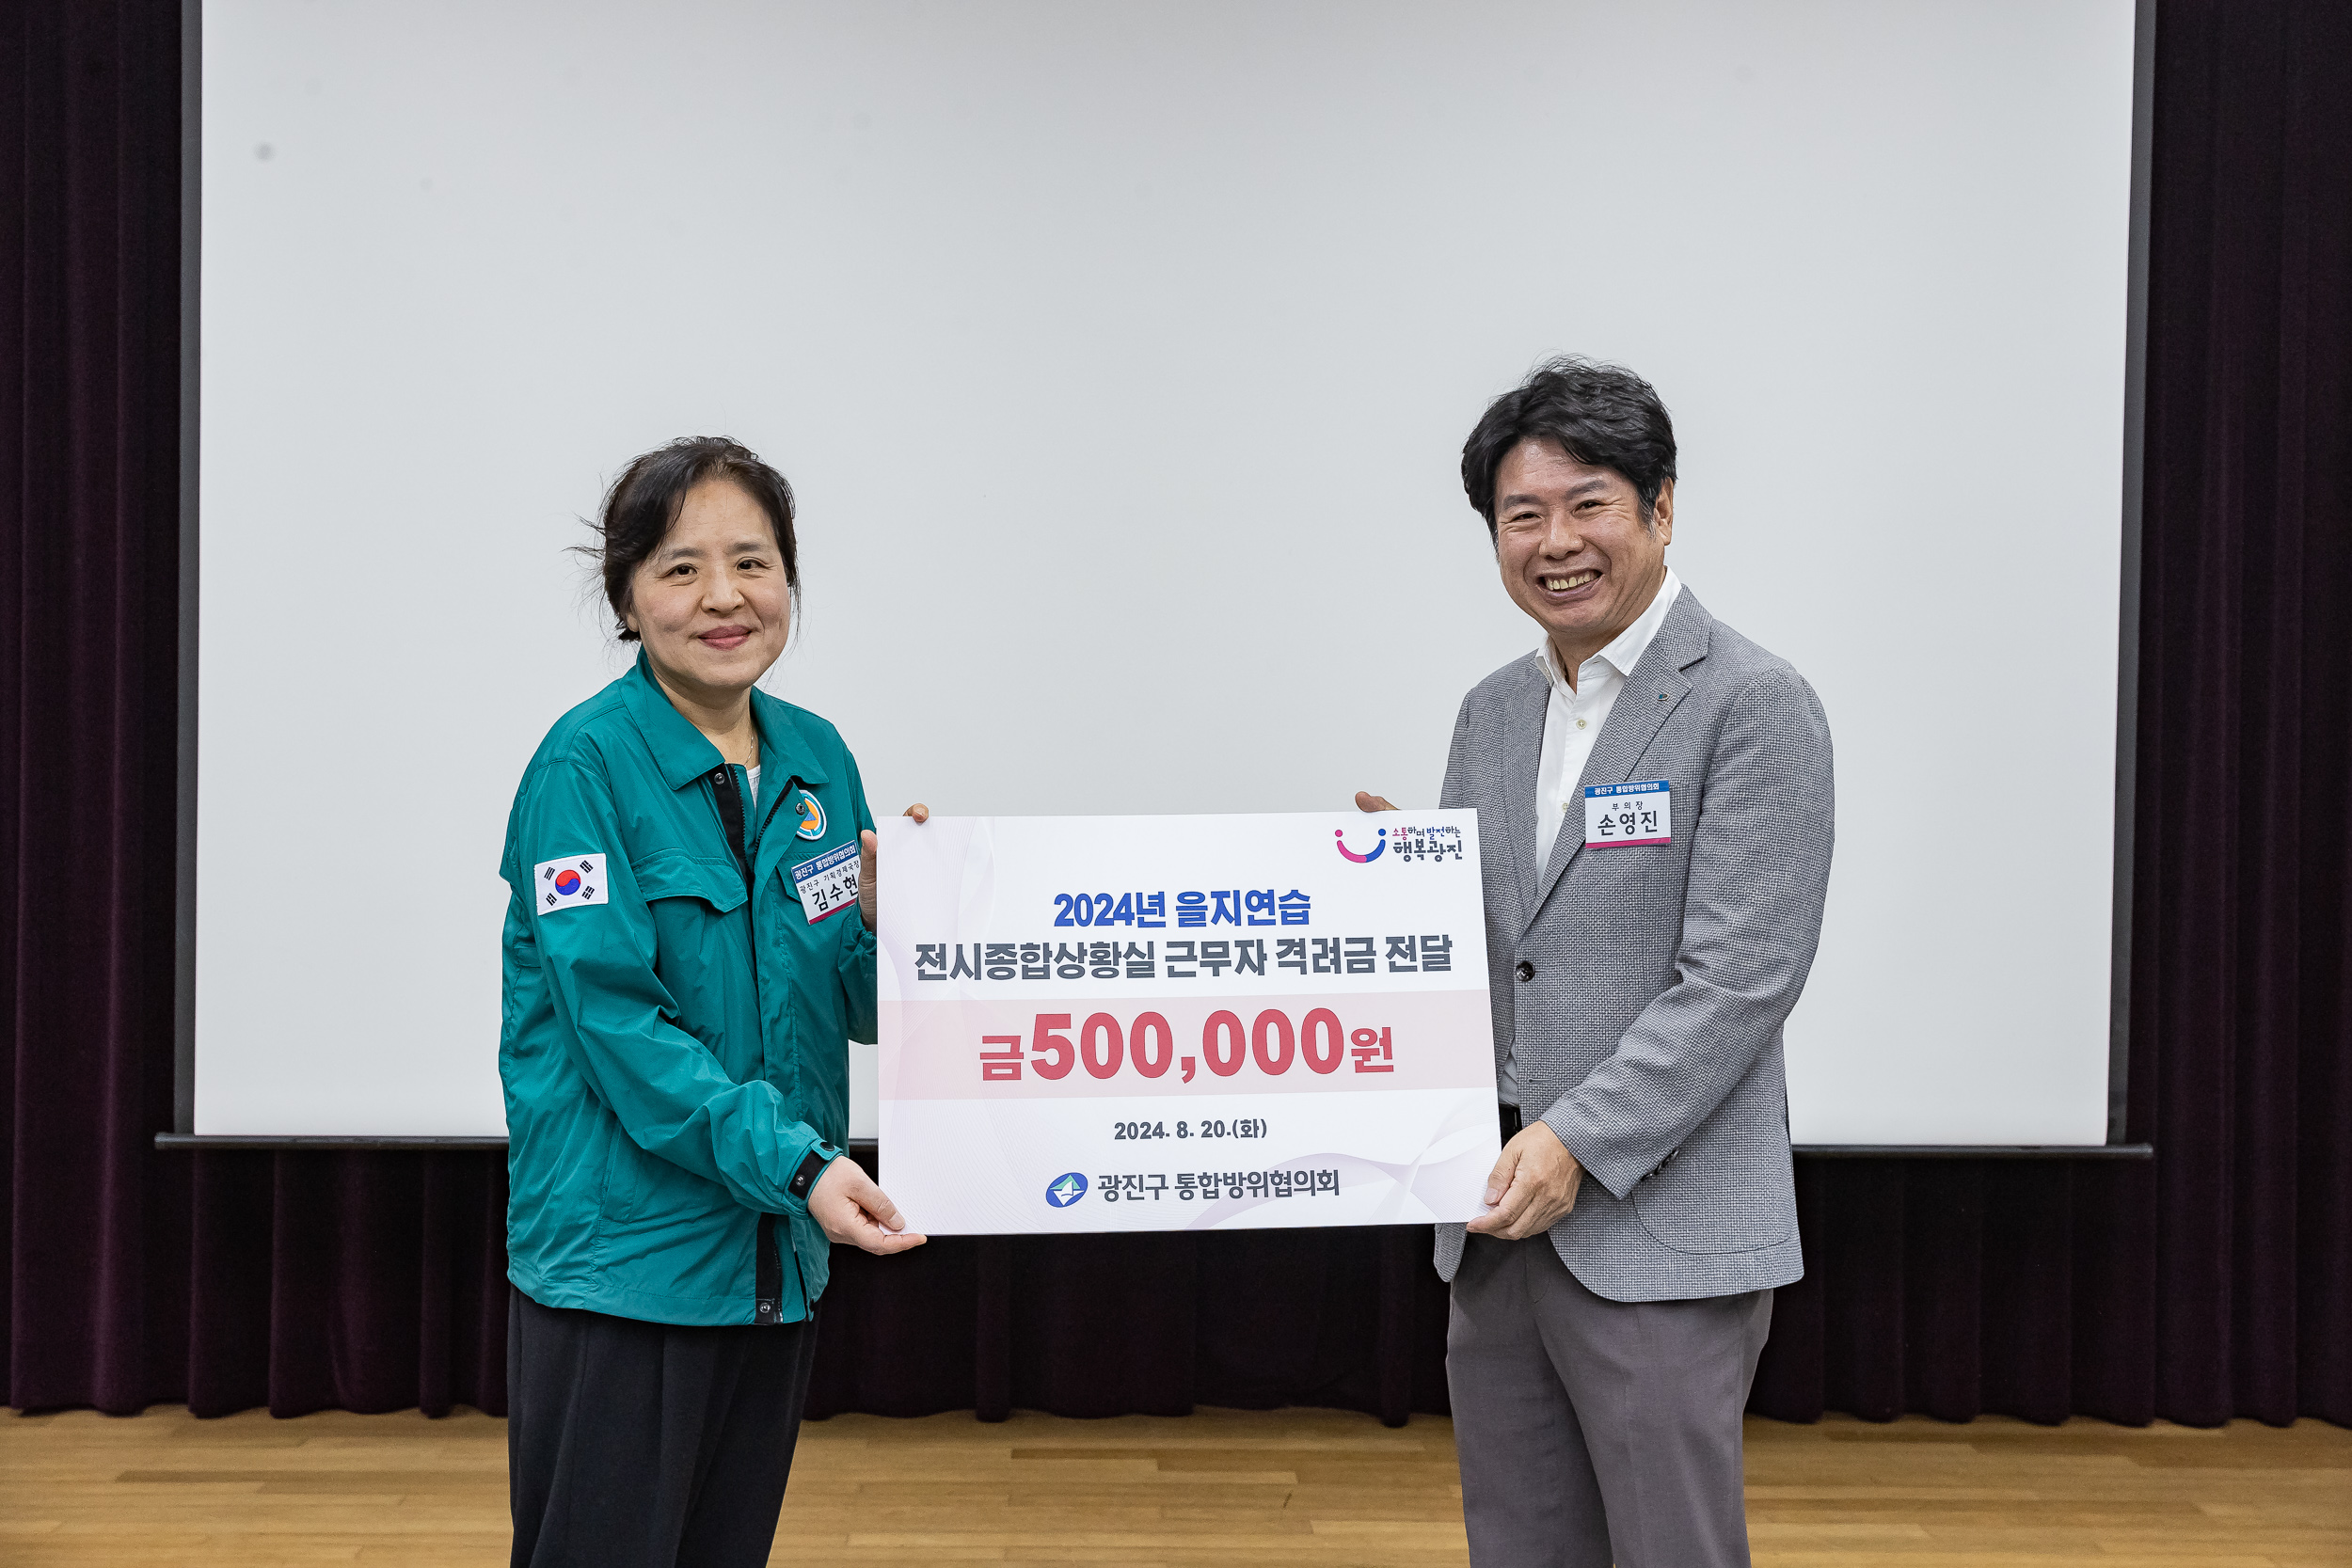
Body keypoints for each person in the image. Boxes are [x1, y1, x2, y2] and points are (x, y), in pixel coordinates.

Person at [1358, 358, 1834, 1567]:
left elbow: (1739, 979)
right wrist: (1376, 884)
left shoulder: (1753, 702)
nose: (1555, 542)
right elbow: (1499, 954)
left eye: (1589, 505)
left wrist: (1576, 1143)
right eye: (1523, 516)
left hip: (1652, 1227)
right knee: (1516, 1544)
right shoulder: (1492, 710)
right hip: (1496, 1221)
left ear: (1660, 507)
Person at [499, 436, 927, 1568]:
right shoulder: (580, 770)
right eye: (682, 568)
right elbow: (620, 1030)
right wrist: (800, 1165)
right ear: (627, 599)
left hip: (770, 1263)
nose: (726, 596)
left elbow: (844, 995)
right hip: (628, 1268)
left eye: (754, 560)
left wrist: (897, 932)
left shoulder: (817, 759)